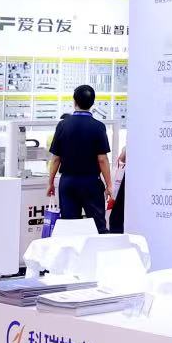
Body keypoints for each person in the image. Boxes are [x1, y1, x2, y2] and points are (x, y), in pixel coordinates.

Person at [45, 85, 114, 233]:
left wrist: (50, 183)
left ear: (74, 101)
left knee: (70, 228)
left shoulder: (62, 125)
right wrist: (109, 184)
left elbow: (56, 159)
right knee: (98, 227)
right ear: (92, 103)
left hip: (68, 182)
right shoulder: (98, 127)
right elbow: (102, 159)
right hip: (91, 182)